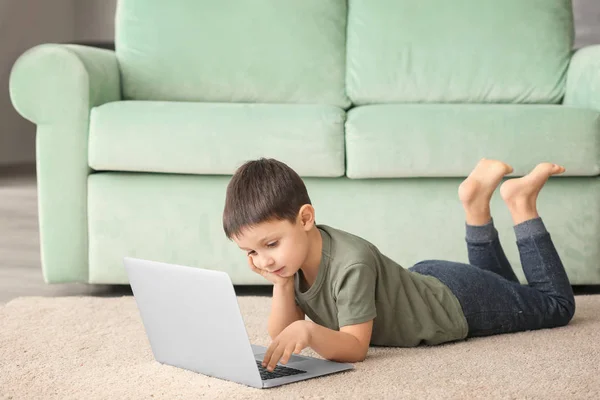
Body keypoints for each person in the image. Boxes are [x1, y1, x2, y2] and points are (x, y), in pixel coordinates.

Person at [222, 157, 575, 372]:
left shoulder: (350, 264)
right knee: (506, 290)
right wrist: (282, 284)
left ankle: (521, 202)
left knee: (554, 306)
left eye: (270, 244)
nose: (263, 259)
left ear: (305, 218)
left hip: (457, 305)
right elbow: (281, 335)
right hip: (431, 283)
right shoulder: (293, 257)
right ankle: (476, 204)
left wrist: (311, 332)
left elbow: (355, 348)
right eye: (250, 252)